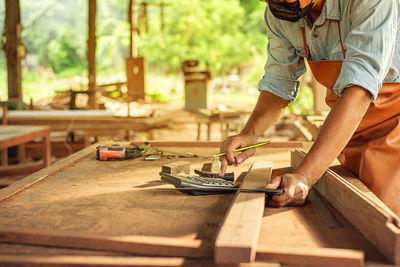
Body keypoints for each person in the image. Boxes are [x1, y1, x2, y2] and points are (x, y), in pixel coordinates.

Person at [219, 0, 400, 216]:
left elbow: (359, 89)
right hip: (349, 132)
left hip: (395, 127)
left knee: (387, 222)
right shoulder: (279, 14)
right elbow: (279, 83)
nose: (275, 3)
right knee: (357, 209)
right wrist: (250, 133)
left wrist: (305, 176)